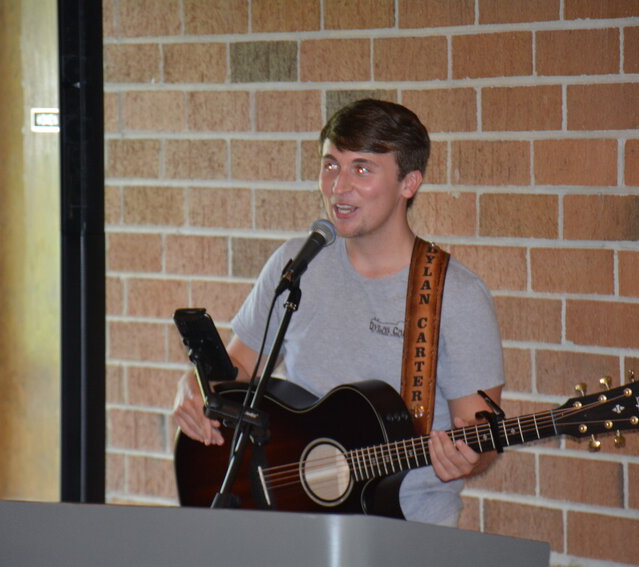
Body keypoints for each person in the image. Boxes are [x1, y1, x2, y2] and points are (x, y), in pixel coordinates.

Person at [173, 99, 504, 527]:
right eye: (331, 165)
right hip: (292, 522)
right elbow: (235, 370)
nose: (338, 187)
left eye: (361, 169)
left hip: (406, 535)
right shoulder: (299, 264)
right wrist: (193, 389)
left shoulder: (454, 295)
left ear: (409, 183)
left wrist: (469, 458)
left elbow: (483, 435)